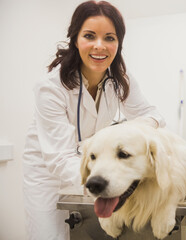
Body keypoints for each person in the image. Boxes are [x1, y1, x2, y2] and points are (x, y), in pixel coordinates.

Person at [22, 1, 165, 240]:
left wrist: (131, 132)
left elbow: (153, 116)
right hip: (47, 176)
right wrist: (104, 178)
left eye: (109, 38)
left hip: (93, 167)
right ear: (75, 39)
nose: (100, 46)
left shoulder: (120, 78)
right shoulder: (50, 88)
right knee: (49, 235)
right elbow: (59, 158)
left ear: (118, 44)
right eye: (89, 36)